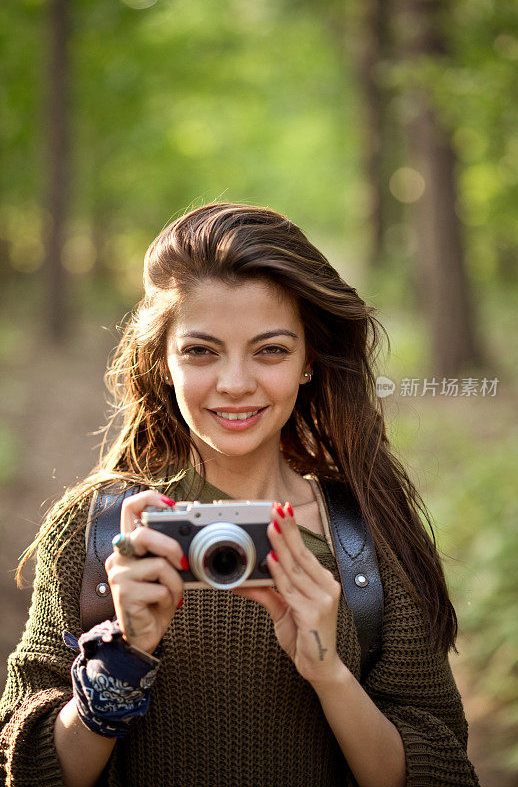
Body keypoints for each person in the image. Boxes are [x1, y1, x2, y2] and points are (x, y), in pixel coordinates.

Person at [0, 202, 480, 787]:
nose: (234, 383)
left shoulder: (363, 538)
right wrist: (123, 658)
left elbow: (441, 770)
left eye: (270, 350)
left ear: (308, 361)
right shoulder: (98, 532)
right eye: (201, 351)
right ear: (163, 363)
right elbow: (29, 770)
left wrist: (328, 672)